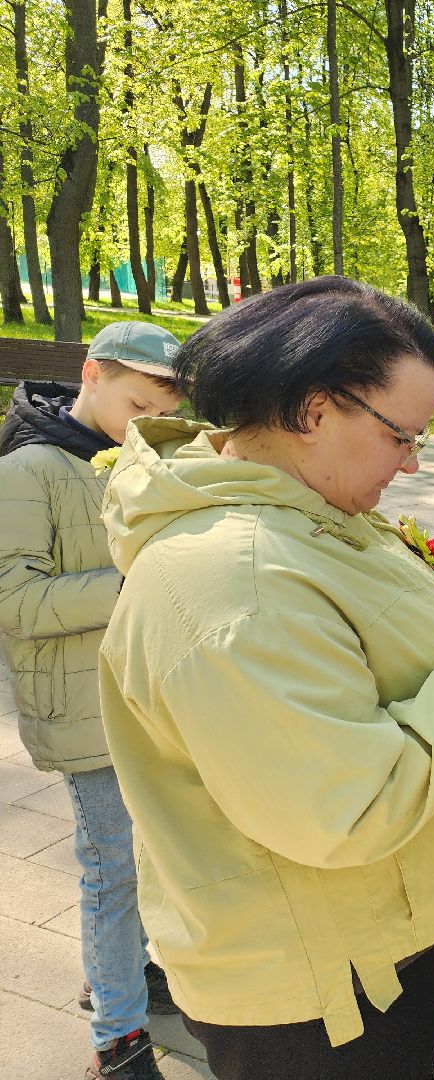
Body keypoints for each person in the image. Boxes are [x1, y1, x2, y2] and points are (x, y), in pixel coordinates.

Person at [95, 277, 434, 1080]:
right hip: (316, 997)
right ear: (315, 412)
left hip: (365, 947)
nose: (415, 461)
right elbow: (352, 800)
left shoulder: (303, 510)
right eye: (402, 437)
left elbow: (355, 629)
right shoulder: (235, 583)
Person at [0, 321, 184, 1080]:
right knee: (111, 866)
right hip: (85, 706)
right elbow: (15, 600)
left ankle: (125, 970)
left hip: (149, 697)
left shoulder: (138, 459)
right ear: (92, 374)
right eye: (138, 405)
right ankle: (118, 1034)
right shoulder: (29, 468)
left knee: (151, 855)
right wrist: (134, 582)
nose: (148, 424)